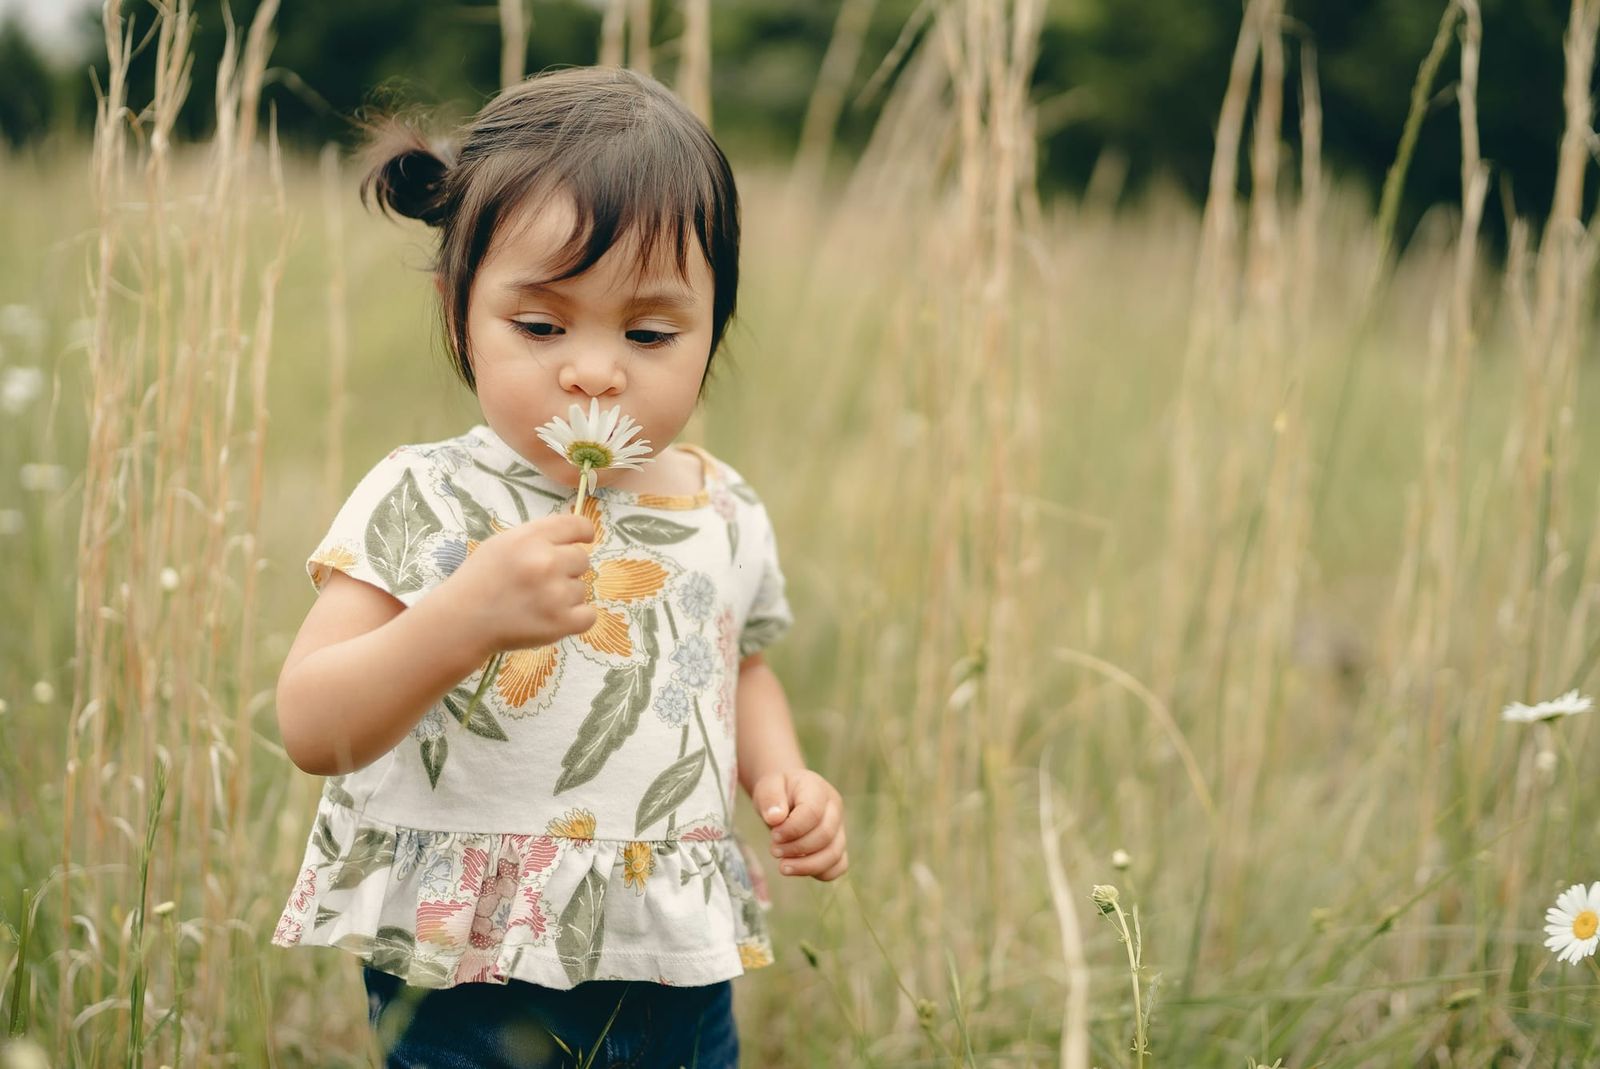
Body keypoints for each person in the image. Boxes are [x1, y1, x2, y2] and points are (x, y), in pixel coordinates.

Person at [270, 66, 848, 1069]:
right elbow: (313, 726)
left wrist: (783, 773)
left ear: (713, 326)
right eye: (539, 325)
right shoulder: (426, 496)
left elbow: (738, 662)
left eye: (650, 331)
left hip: (671, 948)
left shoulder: (719, 506)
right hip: (470, 964)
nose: (593, 368)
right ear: (460, 308)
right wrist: (464, 617)